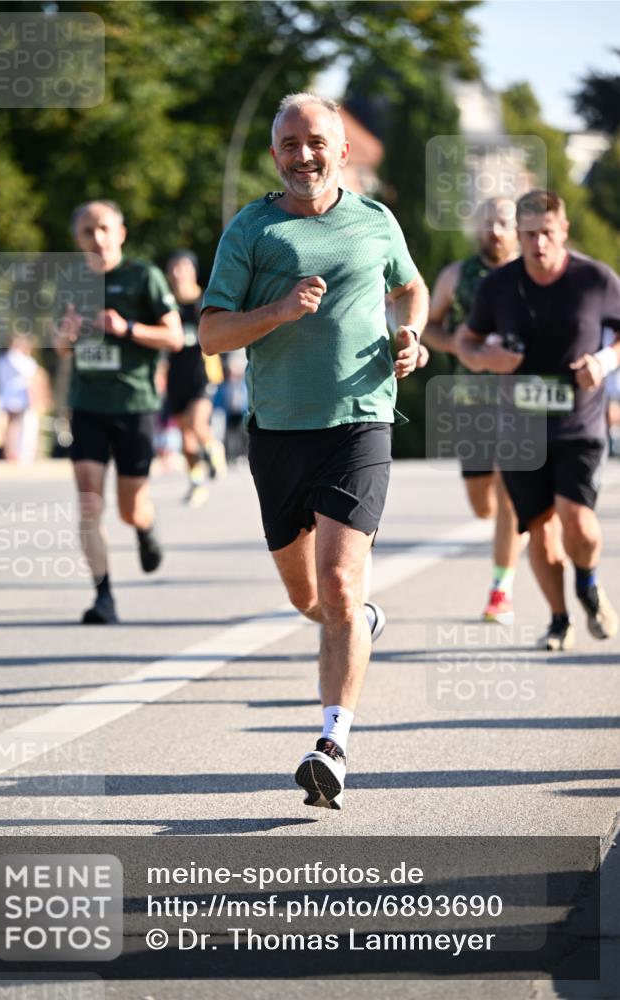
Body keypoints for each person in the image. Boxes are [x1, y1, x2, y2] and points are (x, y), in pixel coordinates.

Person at [199, 93, 428, 810]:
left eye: (316, 142)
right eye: (290, 144)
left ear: (342, 150)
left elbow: (410, 286)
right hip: (278, 432)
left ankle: (331, 745)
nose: (304, 155)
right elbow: (210, 335)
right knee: (309, 599)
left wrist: (411, 335)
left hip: (360, 421)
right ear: (275, 155)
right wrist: (276, 310)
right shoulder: (251, 229)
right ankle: (356, 620)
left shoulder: (375, 221)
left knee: (335, 586)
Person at [456, 189, 620, 650]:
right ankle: (559, 618)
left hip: (578, 424)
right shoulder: (498, 286)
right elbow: (466, 342)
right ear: (518, 237)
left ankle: (587, 582)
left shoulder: (595, 279)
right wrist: (485, 357)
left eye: (547, 233)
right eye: (529, 235)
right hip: (519, 430)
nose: (538, 244)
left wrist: (604, 364)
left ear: (563, 230)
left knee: (578, 522)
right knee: (543, 536)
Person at [54, 200, 183, 624]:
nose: (98, 238)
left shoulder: (144, 276)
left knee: (130, 507)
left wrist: (126, 327)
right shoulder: (71, 282)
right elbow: (60, 346)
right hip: (88, 404)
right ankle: (103, 597)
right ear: (78, 239)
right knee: (89, 502)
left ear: (121, 233)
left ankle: (144, 528)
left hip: (135, 406)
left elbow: (175, 337)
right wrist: (68, 335)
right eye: (88, 231)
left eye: (105, 228)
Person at [423, 197, 522, 624]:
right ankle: (513, 528)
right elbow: (428, 325)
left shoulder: (532, 275)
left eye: (503, 222)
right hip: (471, 400)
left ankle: (501, 589)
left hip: (521, 400)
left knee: (508, 495)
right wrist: (462, 345)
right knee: (483, 503)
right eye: (487, 223)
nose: (495, 231)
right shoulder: (456, 276)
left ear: (517, 228)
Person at [162, 250, 226, 506]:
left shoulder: (204, 300)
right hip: (177, 376)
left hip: (203, 372)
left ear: (193, 271)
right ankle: (196, 482)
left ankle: (213, 450)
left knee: (198, 422)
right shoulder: (166, 306)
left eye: (183, 268)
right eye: (174, 269)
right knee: (186, 439)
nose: (179, 274)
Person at [0, 333, 50, 462]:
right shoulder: (13, 356)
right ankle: (11, 452)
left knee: (13, 425)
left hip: (12, 395)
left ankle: (11, 452)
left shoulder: (1, 358)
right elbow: (33, 371)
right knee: (13, 425)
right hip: (15, 397)